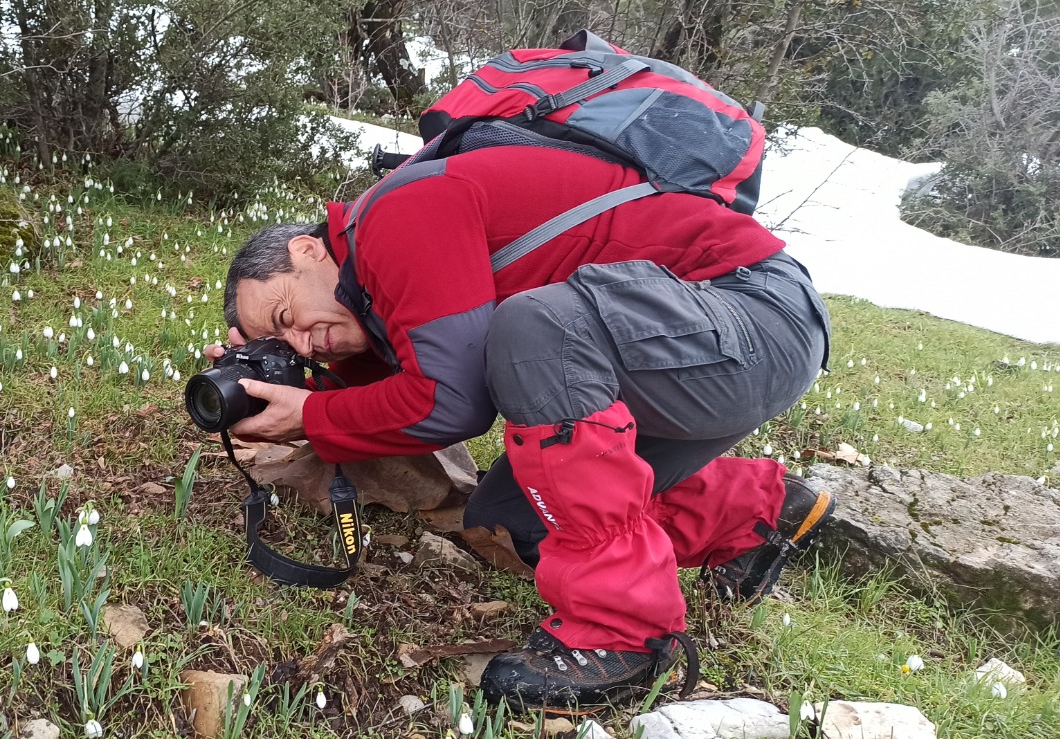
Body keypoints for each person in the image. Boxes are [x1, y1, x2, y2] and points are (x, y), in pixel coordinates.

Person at [207, 142, 836, 712]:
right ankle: (752, 512)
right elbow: (405, 387)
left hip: (753, 314)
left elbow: (451, 402)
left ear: (307, 249)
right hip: (682, 355)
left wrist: (314, 416)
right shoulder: (367, 300)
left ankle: (623, 634)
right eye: (282, 344)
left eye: (286, 313)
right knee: (516, 520)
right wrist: (288, 389)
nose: (301, 341)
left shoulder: (397, 211)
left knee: (538, 328)